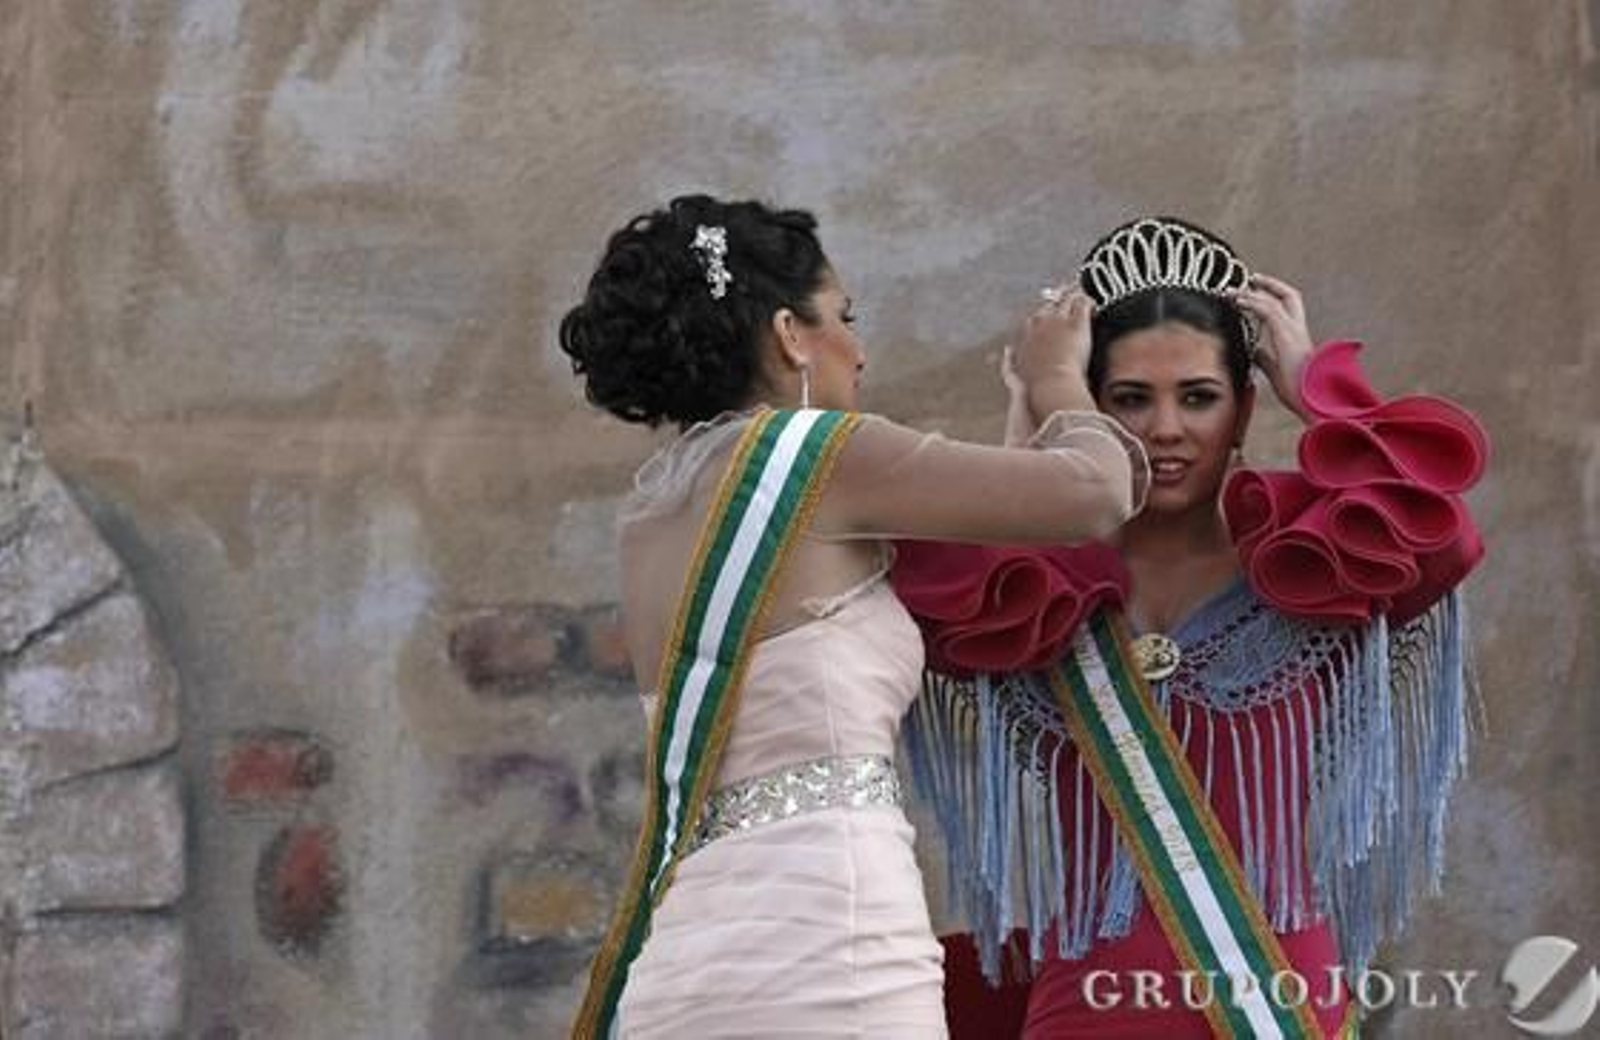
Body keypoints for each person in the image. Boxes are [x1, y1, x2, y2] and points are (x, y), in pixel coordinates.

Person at [559, 194, 1151, 1039]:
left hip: (683, 966)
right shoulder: (825, 458)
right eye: (845, 315)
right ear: (789, 334)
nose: (860, 349)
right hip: (829, 945)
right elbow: (1096, 493)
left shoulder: (654, 511)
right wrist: (1058, 376)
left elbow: (995, 541)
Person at [893, 217, 1488, 1038]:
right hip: (1087, 1014)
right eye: (1129, 399)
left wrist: (1318, 384)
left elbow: (1446, 537)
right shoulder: (1034, 586)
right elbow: (936, 598)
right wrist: (1035, 439)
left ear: (1244, 408)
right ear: (1089, 410)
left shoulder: (1311, 564)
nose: (1165, 430)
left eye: (1199, 397)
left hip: (1281, 1004)